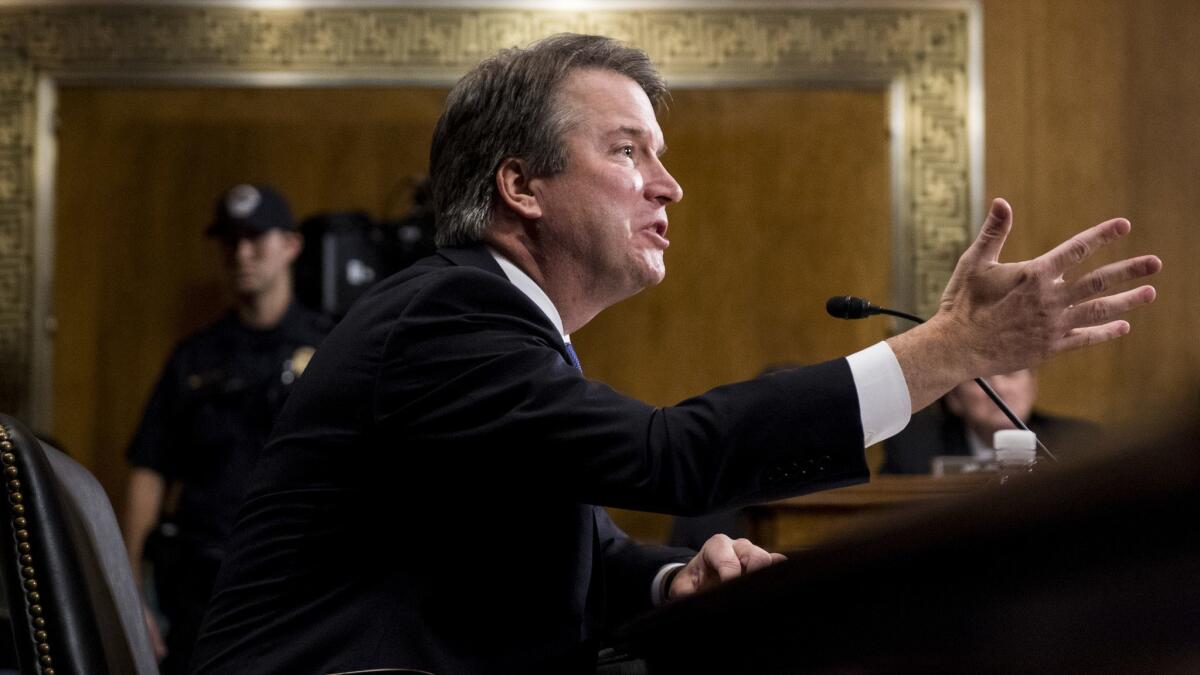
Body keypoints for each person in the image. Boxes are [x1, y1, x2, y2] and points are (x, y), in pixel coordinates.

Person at [188, 35, 1160, 675]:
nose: (671, 187)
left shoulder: (492, 326)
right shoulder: (446, 318)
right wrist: (945, 352)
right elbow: (669, 457)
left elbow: (582, 553)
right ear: (520, 184)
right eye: (628, 152)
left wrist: (672, 579)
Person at [121, 184, 332, 675]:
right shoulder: (195, 357)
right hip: (201, 592)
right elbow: (149, 469)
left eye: (256, 238)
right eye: (230, 241)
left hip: (297, 587)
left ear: (291, 246)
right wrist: (131, 592)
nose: (241, 253)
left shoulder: (332, 349)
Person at [882, 369, 1100, 474]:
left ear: (1032, 387)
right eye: (982, 380)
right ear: (955, 398)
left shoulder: (1080, 443)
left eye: (1011, 375)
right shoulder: (912, 448)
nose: (999, 390)